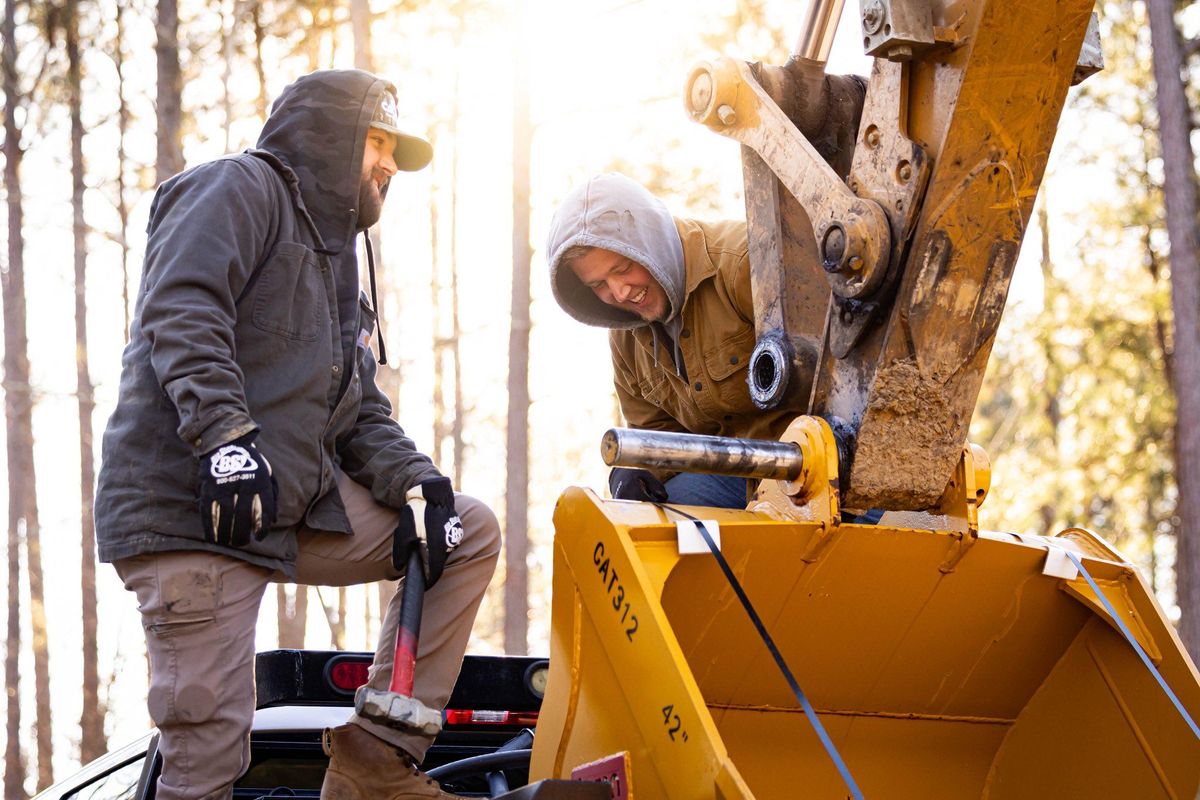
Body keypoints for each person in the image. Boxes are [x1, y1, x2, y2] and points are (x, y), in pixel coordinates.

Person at [95, 70, 499, 800]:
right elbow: (184, 309)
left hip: (286, 509)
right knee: (208, 746)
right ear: (331, 136)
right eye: (377, 143)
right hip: (194, 511)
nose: (387, 165)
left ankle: (378, 759)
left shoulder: (339, 267)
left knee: (464, 529)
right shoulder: (235, 189)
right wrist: (224, 438)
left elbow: (358, 409)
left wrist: (416, 482)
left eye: (394, 152)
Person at [544, 172, 808, 509]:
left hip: (816, 472)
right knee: (647, 520)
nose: (619, 292)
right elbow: (655, 431)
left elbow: (837, 384)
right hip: (732, 481)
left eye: (623, 267)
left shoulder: (748, 265)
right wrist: (632, 469)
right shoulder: (625, 339)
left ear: (650, 240)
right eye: (599, 285)